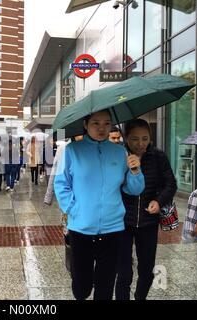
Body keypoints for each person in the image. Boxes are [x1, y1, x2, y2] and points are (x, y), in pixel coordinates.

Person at [54, 110, 144, 300]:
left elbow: (133, 190)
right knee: (82, 284)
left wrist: (135, 170)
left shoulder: (120, 152)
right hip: (81, 228)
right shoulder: (73, 150)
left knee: (106, 284)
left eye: (106, 123)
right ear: (86, 125)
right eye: (96, 123)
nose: (102, 128)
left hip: (113, 228)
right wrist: (73, 209)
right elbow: (61, 183)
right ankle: (81, 290)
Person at [115, 119, 177, 300]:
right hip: (123, 221)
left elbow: (170, 184)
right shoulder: (119, 156)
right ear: (126, 138)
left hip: (149, 221)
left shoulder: (158, 156)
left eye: (145, 138)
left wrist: (159, 202)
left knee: (146, 270)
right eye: (134, 139)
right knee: (124, 272)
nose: (140, 144)